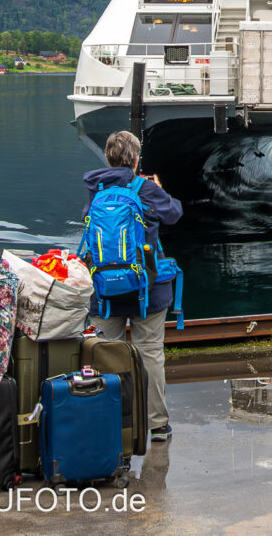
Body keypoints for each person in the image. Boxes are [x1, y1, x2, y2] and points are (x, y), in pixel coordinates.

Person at [82, 130, 182, 442]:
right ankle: (156, 425)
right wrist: (159, 191)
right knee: (150, 353)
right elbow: (174, 214)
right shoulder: (145, 188)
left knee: (104, 355)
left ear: (108, 158)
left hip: (103, 292)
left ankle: (111, 421)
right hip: (146, 290)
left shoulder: (96, 189)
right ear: (136, 160)